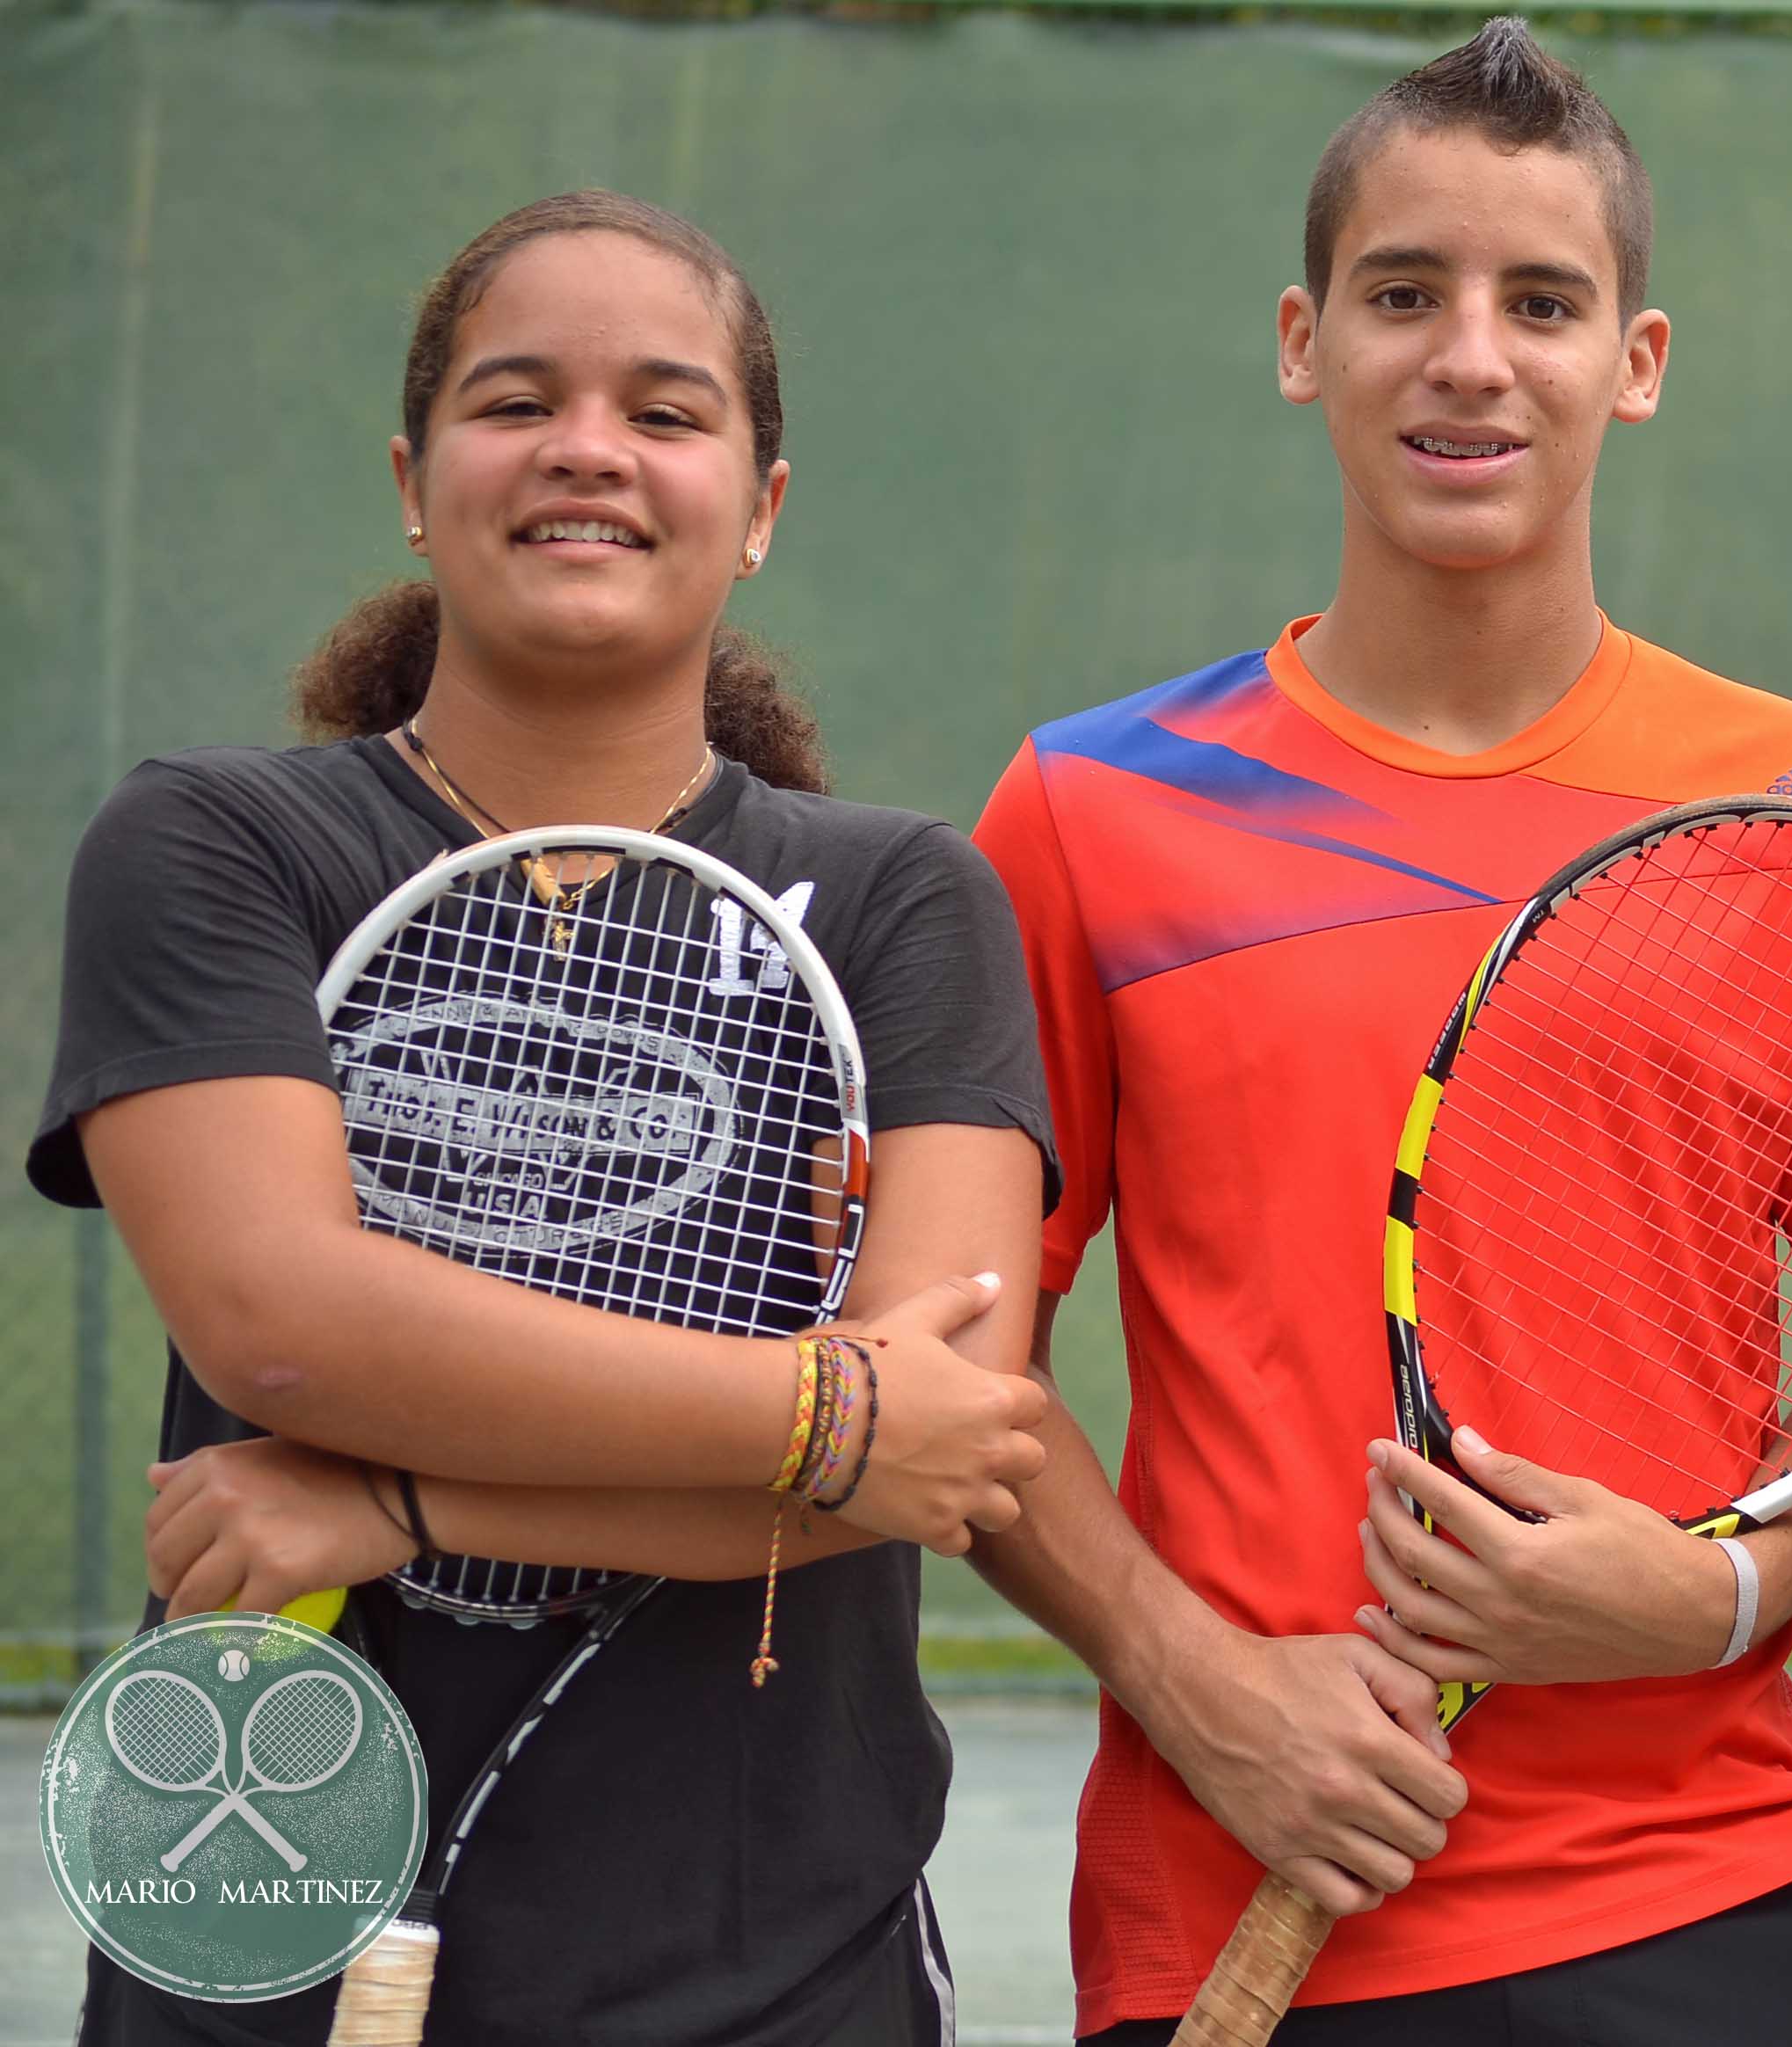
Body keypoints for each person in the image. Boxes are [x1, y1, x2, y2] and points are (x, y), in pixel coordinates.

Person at [968, 23, 1792, 2043]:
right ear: (1305, 342)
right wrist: (1207, 1691)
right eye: (1404, 293)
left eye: (1540, 301)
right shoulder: (1087, 812)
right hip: (1247, 1885)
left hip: (1721, 1889)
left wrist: (1717, 1589)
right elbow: (963, 1369)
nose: (1471, 355)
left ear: (1632, 363)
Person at [33, 190, 1056, 2046]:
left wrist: (403, 1502)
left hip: (775, 1967)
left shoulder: (908, 901)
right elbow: (282, 1319)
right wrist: (821, 1406)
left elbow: (951, 1451)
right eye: (520, 403)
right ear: (417, 480)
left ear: (759, 507)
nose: (590, 449)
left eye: (667, 413)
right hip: (254, 1927)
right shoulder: (213, 845)